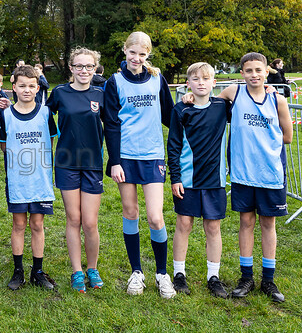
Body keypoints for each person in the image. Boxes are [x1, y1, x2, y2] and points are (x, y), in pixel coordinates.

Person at [204, 53, 293, 303]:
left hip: (270, 172)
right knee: (246, 222)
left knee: (268, 224)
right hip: (243, 173)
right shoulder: (233, 93)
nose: (253, 74)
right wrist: (191, 97)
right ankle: (246, 277)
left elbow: (287, 136)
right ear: (241, 73)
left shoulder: (278, 100)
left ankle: (268, 280)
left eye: (258, 70)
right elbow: (210, 105)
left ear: (267, 72)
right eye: (248, 70)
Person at [104, 31, 175, 298]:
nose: (136, 58)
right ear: (125, 51)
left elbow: (170, 114)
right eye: (132, 52)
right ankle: (136, 272)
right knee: (131, 212)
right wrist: (115, 161)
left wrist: (193, 107)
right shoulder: (115, 82)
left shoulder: (157, 79)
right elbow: (111, 123)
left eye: (142, 54)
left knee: (156, 217)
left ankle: (161, 273)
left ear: (148, 55)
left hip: (153, 155)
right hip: (126, 156)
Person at [167, 62, 230, 298]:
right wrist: (175, 178)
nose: (201, 83)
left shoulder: (222, 106)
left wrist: (270, 90)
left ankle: (213, 276)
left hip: (215, 180)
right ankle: (179, 274)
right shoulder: (181, 110)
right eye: (195, 79)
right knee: (184, 224)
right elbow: (173, 146)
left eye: (206, 79)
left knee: (212, 227)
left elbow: (241, 93)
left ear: (214, 82)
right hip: (188, 179)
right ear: (188, 84)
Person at [46, 48, 106, 293]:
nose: (84, 71)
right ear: (70, 68)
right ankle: (77, 272)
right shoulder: (59, 93)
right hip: (66, 162)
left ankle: (92, 268)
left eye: (89, 66)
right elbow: (41, 115)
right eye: (79, 66)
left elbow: (114, 125)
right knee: (74, 218)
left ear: (95, 68)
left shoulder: (101, 94)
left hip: (92, 163)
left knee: (90, 222)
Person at [0, 65, 59, 291]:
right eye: (22, 86)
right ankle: (18, 271)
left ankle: (38, 271)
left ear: (38, 88)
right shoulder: (5, 115)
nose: (26, 90)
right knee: (19, 224)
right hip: (17, 181)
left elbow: (50, 141)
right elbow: (3, 146)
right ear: (13, 87)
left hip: (40, 180)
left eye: (31, 86)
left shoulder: (45, 113)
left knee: (37, 224)